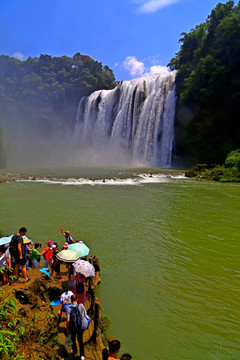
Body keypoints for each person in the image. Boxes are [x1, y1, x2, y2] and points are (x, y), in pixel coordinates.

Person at [66, 294, 86, 359]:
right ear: (77, 300)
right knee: (80, 340)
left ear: (71, 301)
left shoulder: (69, 309)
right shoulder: (81, 306)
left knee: (73, 340)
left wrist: (67, 328)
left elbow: (68, 320)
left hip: (72, 328)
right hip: (80, 326)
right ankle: (82, 355)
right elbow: (85, 314)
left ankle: (75, 353)